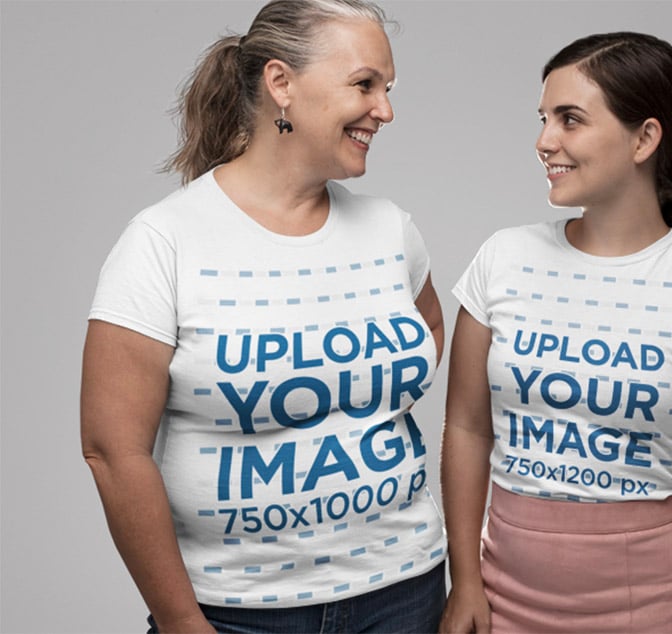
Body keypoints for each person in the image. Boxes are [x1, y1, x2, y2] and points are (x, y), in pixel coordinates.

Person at [81, 2, 447, 632]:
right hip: (238, 613)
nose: (385, 110)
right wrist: (181, 623)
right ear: (281, 84)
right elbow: (113, 451)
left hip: (407, 592)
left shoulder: (392, 231)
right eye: (365, 85)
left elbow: (429, 331)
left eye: (388, 90)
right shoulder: (164, 242)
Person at [440, 32, 672, 634]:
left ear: (645, 138)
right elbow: (466, 427)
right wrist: (464, 579)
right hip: (502, 598)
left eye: (570, 120)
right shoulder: (502, 259)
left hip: (656, 609)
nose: (545, 141)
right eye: (544, 119)